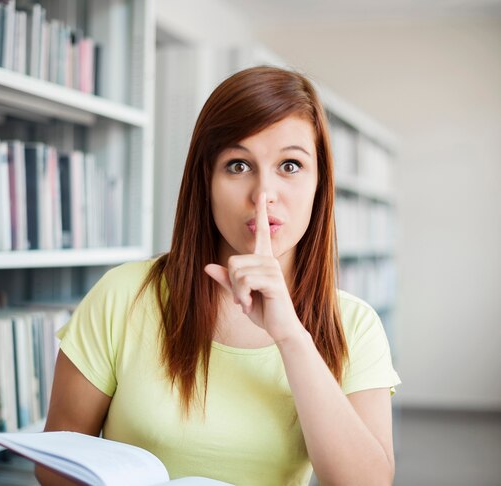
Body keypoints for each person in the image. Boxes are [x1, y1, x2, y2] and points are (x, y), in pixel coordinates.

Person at [37, 66, 401, 486]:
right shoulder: (123, 295)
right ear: (205, 180)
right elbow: (54, 466)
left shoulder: (354, 325)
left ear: (320, 184)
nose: (263, 195)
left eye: (290, 165)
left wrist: (290, 336)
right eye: (238, 165)